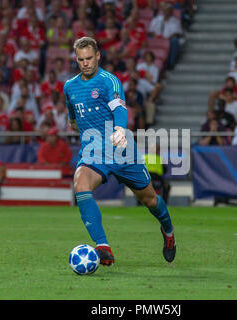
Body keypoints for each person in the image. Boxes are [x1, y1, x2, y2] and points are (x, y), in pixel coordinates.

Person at [63, 37, 175, 266]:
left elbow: (119, 109)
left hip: (121, 148)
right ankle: (103, 247)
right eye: (81, 59)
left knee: (150, 200)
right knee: (80, 185)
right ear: (77, 59)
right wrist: (75, 124)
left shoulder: (109, 81)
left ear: (98, 56)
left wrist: (120, 129)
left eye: (89, 58)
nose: (85, 63)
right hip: (93, 151)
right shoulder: (69, 86)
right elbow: (72, 116)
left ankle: (168, 231)